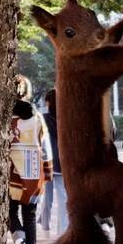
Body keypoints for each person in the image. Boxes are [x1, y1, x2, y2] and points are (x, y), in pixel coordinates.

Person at [9, 75, 52, 244]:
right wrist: (48, 170)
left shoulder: (6, 117)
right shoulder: (37, 117)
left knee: (10, 211)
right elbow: (45, 146)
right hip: (33, 172)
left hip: (12, 172)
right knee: (30, 213)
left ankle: (19, 241)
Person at [38, 89, 69, 235]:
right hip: (63, 163)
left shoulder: (42, 118)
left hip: (47, 162)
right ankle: (62, 232)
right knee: (62, 199)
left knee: (47, 197)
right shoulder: (67, 119)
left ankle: (45, 224)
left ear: (48, 102)